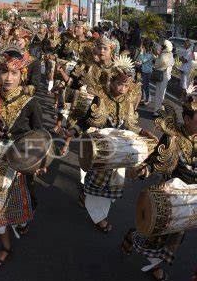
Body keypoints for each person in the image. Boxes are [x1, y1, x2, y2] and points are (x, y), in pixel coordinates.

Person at [64, 56, 156, 232]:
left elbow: (131, 126)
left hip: (119, 152)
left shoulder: (128, 103)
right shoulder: (100, 99)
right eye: (119, 84)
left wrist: (145, 132)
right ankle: (99, 218)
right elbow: (86, 121)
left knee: (111, 187)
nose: (122, 88)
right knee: (96, 186)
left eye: (126, 85)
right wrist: (72, 132)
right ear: (110, 81)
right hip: (100, 151)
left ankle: (87, 197)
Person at [0, 46, 45, 267]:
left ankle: (24, 220)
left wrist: (41, 162)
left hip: (25, 164)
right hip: (0, 165)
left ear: (21, 75)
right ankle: (6, 246)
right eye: (4, 72)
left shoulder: (31, 103)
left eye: (14, 73)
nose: (8, 78)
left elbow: (41, 135)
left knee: (28, 199)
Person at [122, 90, 197, 281]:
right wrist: (143, 171)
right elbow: (157, 159)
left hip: (191, 199)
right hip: (169, 193)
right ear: (187, 118)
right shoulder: (173, 135)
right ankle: (134, 237)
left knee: (175, 237)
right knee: (154, 232)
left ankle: (154, 263)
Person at [152, 40, 174, 117]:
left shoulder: (163, 55)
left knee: (159, 94)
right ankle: (160, 111)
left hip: (161, 76)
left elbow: (156, 65)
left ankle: (157, 112)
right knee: (162, 94)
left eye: (163, 46)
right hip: (166, 76)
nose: (161, 47)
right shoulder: (170, 54)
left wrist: (157, 56)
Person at [136, 41, 154, 106]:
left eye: (143, 47)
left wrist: (141, 52)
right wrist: (139, 63)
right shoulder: (146, 53)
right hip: (144, 71)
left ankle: (148, 99)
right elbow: (143, 61)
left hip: (148, 72)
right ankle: (144, 99)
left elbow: (144, 60)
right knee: (143, 86)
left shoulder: (150, 54)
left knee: (146, 86)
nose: (142, 48)